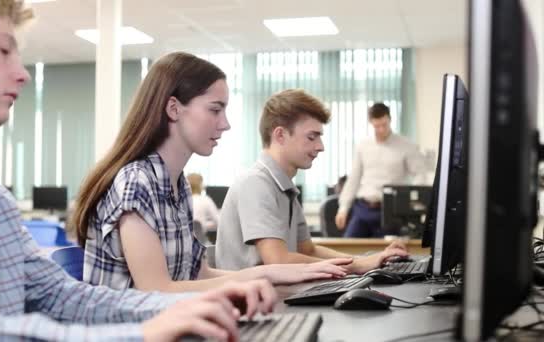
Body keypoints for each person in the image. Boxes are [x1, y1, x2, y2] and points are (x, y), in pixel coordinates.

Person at [0, 1, 279, 340]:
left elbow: (63, 297)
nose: (23, 73)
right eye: (2, 49)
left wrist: (191, 305)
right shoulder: (136, 181)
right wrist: (142, 333)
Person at [73, 52, 351, 293]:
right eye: (215, 110)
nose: (225, 124)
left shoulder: (176, 184)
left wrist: (273, 276)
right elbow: (157, 290)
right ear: (174, 108)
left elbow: (199, 275)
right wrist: (262, 275)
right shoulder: (137, 182)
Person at [215, 89, 407, 273]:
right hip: (251, 304)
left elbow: (308, 250)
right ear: (280, 135)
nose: (320, 146)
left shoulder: (285, 188)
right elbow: (279, 261)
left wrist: (363, 262)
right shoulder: (255, 184)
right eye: (311, 137)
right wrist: (356, 267)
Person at [335, 102, 428, 238]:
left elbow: (420, 174)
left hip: (390, 211)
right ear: (371, 123)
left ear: (390, 119)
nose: (381, 130)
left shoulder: (406, 145)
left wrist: (410, 204)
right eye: (377, 126)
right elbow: (354, 178)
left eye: (384, 125)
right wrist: (343, 208)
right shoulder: (363, 145)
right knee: (348, 247)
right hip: (363, 208)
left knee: (386, 254)